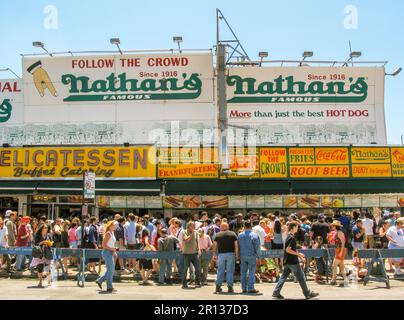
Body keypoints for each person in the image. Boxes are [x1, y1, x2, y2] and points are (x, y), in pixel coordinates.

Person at [272, 221, 319, 300]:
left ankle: (276, 292)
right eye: (297, 226)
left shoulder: (289, 236)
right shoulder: (291, 237)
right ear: (293, 227)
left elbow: (290, 249)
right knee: (301, 278)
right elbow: (288, 250)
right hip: (292, 261)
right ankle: (307, 293)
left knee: (283, 277)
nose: (298, 228)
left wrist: (300, 255)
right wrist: (298, 255)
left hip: (288, 261)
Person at [213, 222, 238, 294]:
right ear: (227, 227)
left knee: (220, 270)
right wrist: (237, 255)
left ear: (221, 227)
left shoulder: (218, 235)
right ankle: (230, 287)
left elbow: (214, 245)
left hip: (221, 254)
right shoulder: (232, 234)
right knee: (230, 271)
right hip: (231, 254)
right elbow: (236, 245)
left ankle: (218, 286)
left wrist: (214, 254)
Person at [238, 220, 261, 294]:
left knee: (243, 272)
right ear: (251, 226)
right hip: (252, 255)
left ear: (244, 226)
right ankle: (250, 288)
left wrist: (238, 255)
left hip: (243, 255)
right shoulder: (254, 235)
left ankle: (244, 288)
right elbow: (257, 247)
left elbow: (238, 246)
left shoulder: (240, 235)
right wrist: (259, 256)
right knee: (251, 272)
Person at [96, 221, 117, 293]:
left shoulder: (112, 233)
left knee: (110, 270)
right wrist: (112, 250)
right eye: (114, 225)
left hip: (110, 252)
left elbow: (111, 244)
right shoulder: (108, 233)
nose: (115, 226)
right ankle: (109, 287)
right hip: (107, 252)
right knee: (110, 270)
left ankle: (100, 280)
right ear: (110, 226)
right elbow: (103, 245)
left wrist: (114, 251)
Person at [30, 223, 53, 288]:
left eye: (46, 228)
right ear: (41, 228)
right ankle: (40, 281)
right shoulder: (38, 235)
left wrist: (50, 243)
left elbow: (51, 243)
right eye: (44, 228)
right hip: (40, 253)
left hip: (47, 252)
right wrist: (42, 242)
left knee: (48, 268)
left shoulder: (49, 235)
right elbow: (35, 244)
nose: (46, 229)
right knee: (40, 268)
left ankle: (49, 280)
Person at [180, 221, 202, 289]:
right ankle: (184, 283)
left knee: (198, 268)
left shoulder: (196, 233)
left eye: (194, 226)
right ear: (188, 226)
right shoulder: (184, 232)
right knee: (185, 269)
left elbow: (197, 241)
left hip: (195, 253)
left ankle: (197, 282)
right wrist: (192, 233)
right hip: (186, 253)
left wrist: (199, 249)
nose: (194, 227)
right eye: (192, 226)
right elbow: (186, 240)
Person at [330, 220, 347, 287]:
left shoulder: (340, 233)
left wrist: (341, 252)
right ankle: (345, 280)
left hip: (340, 250)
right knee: (341, 267)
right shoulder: (338, 232)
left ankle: (333, 280)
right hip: (339, 250)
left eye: (333, 225)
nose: (332, 226)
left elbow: (343, 243)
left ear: (335, 226)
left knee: (334, 265)